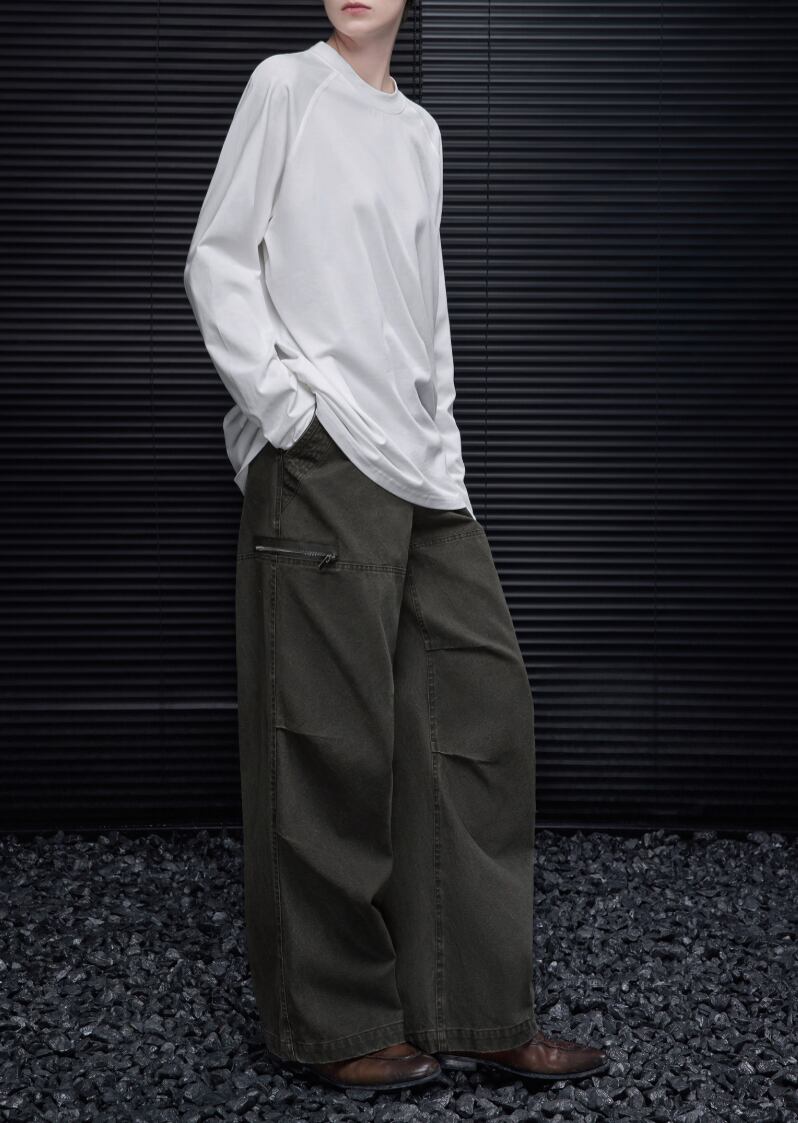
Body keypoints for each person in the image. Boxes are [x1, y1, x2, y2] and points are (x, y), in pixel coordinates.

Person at [183, 0, 608, 1093]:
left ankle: (477, 1007)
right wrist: (288, 412)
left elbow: (426, 309)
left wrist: (444, 444)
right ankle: (337, 1025)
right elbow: (218, 258)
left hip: (418, 464)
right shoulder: (286, 86)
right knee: (328, 740)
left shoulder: (419, 130)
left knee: (478, 710)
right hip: (322, 458)